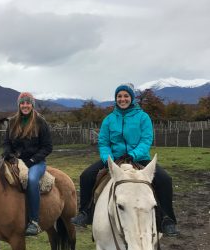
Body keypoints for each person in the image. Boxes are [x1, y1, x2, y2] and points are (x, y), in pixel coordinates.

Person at [71, 83, 179, 236]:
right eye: (119, 96)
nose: (122, 99)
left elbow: (146, 139)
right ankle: (85, 212)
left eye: (126, 96)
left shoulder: (143, 117)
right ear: (116, 99)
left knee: (164, 179)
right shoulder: (109, 120)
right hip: (114, 159)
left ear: (131, 98)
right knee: (86, 176)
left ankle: (167, 219)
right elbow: (104, 142)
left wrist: (134, 154)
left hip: (139, 159)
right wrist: (108, 159)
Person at [2, 92, 53, 236]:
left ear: (32, 105)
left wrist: (33, 160)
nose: (25, 105)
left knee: (31, 180)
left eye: (28, 103)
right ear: (19, 105)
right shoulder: (12, 122)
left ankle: (34, 221)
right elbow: (6, 142)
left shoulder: (40, 122)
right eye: (22, 103)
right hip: (16, 161)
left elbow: (47, 147)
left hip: (36, 162)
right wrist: (7, 153)